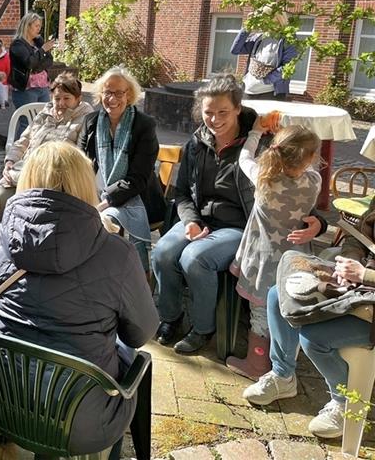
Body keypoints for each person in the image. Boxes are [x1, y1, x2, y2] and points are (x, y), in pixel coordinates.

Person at [0, 141, 158, 455]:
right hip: (80, 420)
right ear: (87, 182)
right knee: (132, 359)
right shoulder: (117, 254)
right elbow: (140, 334)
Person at [151, 75, 325, 355]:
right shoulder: (196, 144)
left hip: (240, 227)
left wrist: (319, 221)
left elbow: (294, 189)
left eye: (223, 112)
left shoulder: (263, 145)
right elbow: (181, 193)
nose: (215, 119)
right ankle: (170, 317)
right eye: (208, 112)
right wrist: (191, 221)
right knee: (163, 252)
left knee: (195, 259)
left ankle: (202, 328)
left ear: (237, 109)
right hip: (198, 220)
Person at [242, 196, 375, 439]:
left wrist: (364, 274)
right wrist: (350, 262)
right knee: (276, 295)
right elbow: (357, 235)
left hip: (370, 300)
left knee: (313, 338)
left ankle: (346, 402)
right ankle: (283, 376)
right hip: (361, 288)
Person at [226, 121, 321, 379]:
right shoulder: (314, 181)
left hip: (262, 259)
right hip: (295, 259)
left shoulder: (263, 178)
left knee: (260, 312)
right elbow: (306, 166)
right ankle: (285, 360)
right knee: (287, 310)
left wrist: (256, 131)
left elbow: (245, 156)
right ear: (310, 158)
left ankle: (256, 365)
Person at [79, 66, 166, 274]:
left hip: (136, 197)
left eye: (119, 93)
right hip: (94, 194)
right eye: (108, 92)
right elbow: (80, 165)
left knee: (102, 220)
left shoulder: (144, 125)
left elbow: (138, 178)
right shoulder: (91, 122)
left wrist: (104, 202)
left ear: (130, 95)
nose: (113, 98)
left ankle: (116, 276)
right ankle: (86, 273)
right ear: (101, 94)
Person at [0, 72, 92, 218]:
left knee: (30, 209)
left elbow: (79, 156)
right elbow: (24, 139)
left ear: (78, 99)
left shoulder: (85, 120)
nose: (61, 103)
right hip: (26, 169)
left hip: (55, 179)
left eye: (67, 98)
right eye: (57, 98)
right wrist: (11, 160)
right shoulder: (45, 113)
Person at [231, 6, 297, 100]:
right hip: (248, 90)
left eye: (263, 18)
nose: (260, 22)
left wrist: (265, 80)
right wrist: (247, 27)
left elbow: (288, 67)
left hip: (270, 93)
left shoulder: (288, 39)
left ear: (276, 19)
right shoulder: (259, 37)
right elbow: (235, 50)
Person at [9, 12, 55, 110]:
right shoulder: (17, 44)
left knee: (44, 119)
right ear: (27, 26)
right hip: (26, 89)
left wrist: (36, 67)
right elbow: (29, 63)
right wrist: (42, 50)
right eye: (36, 26)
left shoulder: (38, 41)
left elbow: (49, 61)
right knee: (27, 122)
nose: (39, 29)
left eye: (40, 26)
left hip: (43, 86)